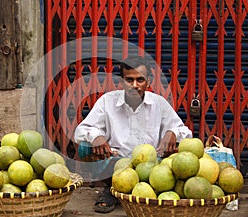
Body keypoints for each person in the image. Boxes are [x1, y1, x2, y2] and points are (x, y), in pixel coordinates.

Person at [74, 56, 192, 213]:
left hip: (151, 167)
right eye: (129, 80)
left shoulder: (159, 104)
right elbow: (80, 131)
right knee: (85, 147)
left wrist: (172, 133)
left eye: (140, 80)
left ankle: (146, 191)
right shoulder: (107, 101)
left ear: (148, 81)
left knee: (182, 151)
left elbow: (186, 133)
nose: (134, 85)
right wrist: (96, 136)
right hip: (116, 165)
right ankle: (111, 188)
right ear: (122, 81)